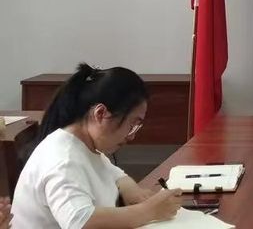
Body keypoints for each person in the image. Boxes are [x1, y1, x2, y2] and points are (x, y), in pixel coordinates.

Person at [12, 63, 182, 228]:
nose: (132, 136)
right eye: (132, 125)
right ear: (100, 114)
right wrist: (148, 211)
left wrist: (133, 192)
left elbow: (114, 174)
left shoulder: (83, 145)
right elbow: (79, 222)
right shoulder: (64, 160)